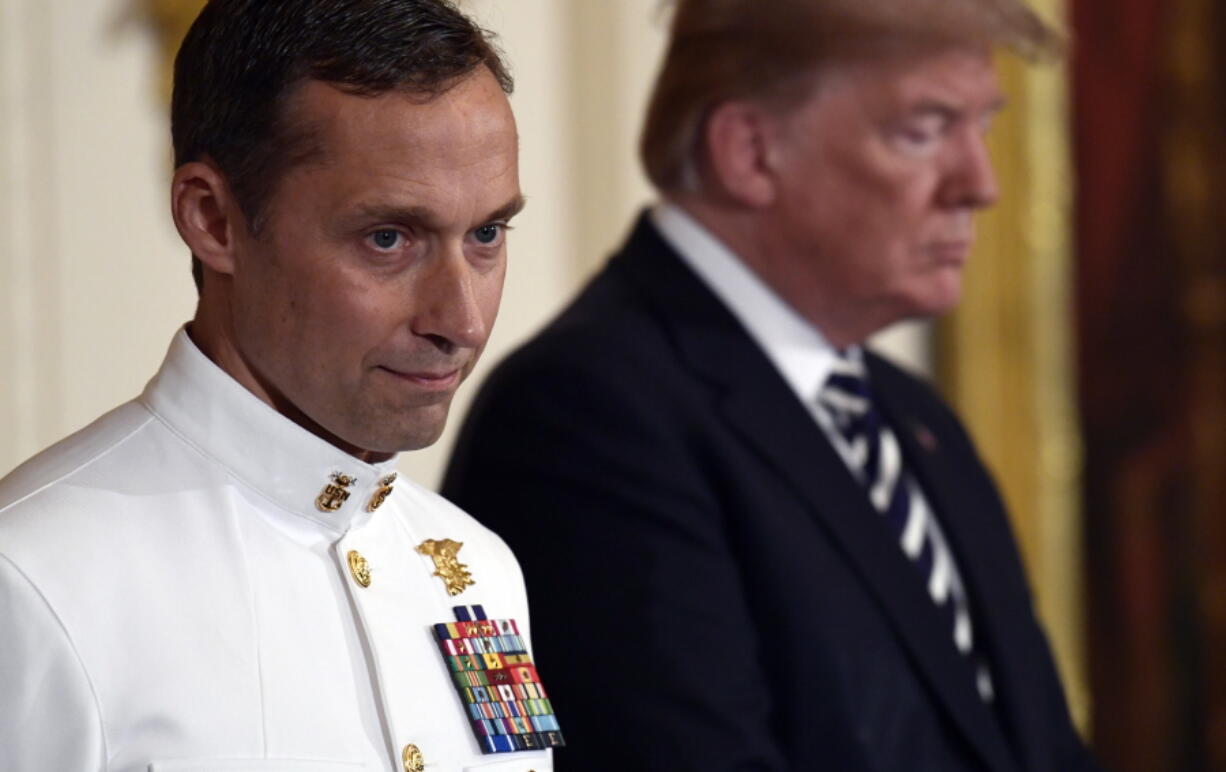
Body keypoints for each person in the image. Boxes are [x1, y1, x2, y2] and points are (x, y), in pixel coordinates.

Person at [443, 1, 1101, 770]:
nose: (978, 183)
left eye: (981, 127)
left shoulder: (914, 417)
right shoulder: (582, 420)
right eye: (923, 131)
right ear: (750, 152)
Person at [0, 1, 558, 770]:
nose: (459, 320)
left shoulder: (478, 567)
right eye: (389, 238)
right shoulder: (31, 582)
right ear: (213, 221)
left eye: (487, 234)